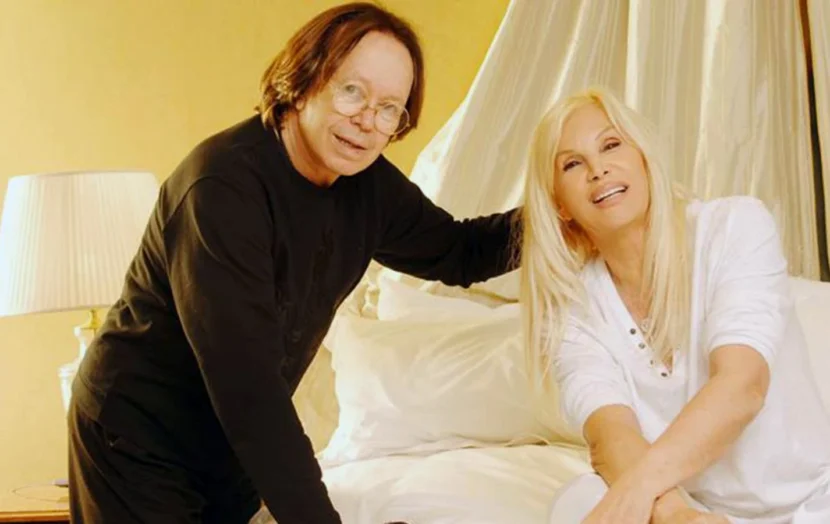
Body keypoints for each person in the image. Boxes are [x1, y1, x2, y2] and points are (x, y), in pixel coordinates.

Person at [67, 3, 521, 523]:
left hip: (228, 449)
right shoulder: (222, 190)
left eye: (389, 108)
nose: (367, 120)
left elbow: (460, 252)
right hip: (137, 438)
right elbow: (250, 390)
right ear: (304, 81)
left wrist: (566, 215)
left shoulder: (367, 185)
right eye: (351, 91)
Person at [519, 87, 830, 523]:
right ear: (559, 205)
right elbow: (610, 434)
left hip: (809, 505)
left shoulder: (735, 227)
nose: (598, 169)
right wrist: (678, 515)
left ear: (643, 159)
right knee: (578, 499)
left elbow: (743, 386)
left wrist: (641, 494)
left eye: (611, 144)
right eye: (572, 164)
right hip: (690, 508)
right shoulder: (572, 305)